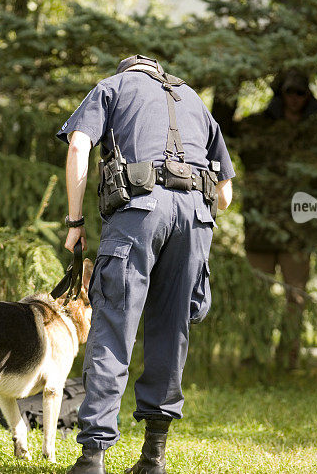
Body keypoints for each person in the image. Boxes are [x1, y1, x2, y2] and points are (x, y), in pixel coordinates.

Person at [56, 55, 235, 474]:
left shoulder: (112, 88)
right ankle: (153, 458)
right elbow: (225, 194)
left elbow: (80, 145)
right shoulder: (194, 99)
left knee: (114, 326)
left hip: (138, 211)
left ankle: (92, 459)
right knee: (172, 331)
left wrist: (76, 221)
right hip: (196, 218)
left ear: (128, 72)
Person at [235, 70, 317, 369]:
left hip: (301, 230)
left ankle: (288, 359)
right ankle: (253, 355)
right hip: (261, 226)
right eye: (289, 92)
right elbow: (230, 132)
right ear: (280, 94)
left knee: (297, 297)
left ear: (309, 96)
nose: (295, 99)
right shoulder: (256, 127)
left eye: (301, 92)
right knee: (258, 295)